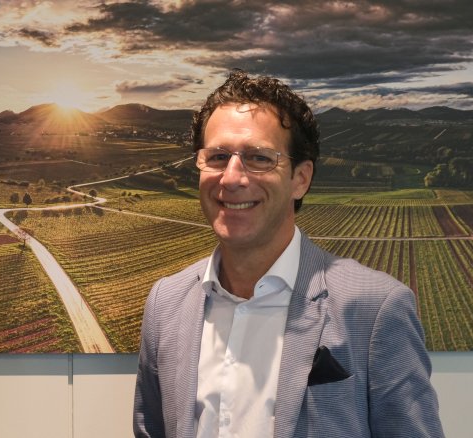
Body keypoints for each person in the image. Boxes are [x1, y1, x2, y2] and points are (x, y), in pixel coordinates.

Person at [133, 70, 443, 438]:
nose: (231, 178)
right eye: (217, 156)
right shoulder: (165, 303)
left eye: (259, 158)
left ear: (301, 179)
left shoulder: (376, 308)